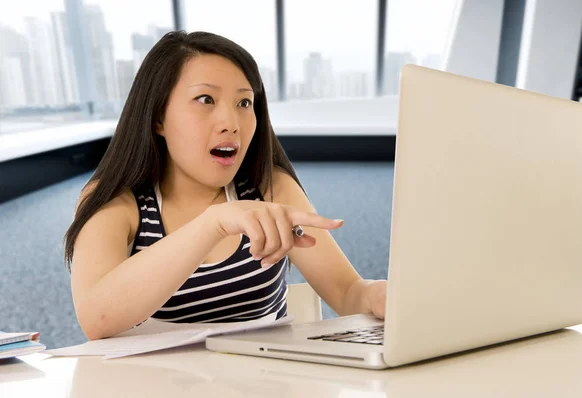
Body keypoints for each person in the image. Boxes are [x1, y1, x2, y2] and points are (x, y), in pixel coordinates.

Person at [64, 31, 387, 340]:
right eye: (205, 99)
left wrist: (375, 295)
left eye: (244, 103)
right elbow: (96, 319)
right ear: (158, 118)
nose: (231, 123)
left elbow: (347, 293)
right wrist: (213, 224)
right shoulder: (118, 201)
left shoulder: (270, 188)